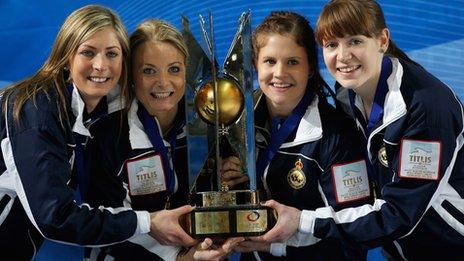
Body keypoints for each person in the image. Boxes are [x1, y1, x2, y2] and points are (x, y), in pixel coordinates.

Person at [253, 1, 464, 260]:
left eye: (355, 41)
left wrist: (303, 222)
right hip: (399, 249)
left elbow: (400, 213)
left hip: (450, 245)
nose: (342, 56)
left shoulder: (427, 108)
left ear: (382, 40)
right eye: (332, 45)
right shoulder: (348, 91)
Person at [0, 6, 194, 260]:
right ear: (66, 56)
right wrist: (147, 222)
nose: (101, 65)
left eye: (112, 54)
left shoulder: (91, 112)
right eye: (88, 52)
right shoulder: (35, 108)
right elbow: (54, 217)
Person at [86, 19, 242, 260]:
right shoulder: (107, 137)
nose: (163, 82)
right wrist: (177, 258)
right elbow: (106, 223)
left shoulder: (210, 125)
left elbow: (224, 202)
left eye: (174, 69)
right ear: (130, 74)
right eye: (149, 70)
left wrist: (232, 179)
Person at [221, 11, 373, 260]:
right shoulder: (236, 123)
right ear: (254, 65)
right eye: (270, 61)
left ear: (311, 68)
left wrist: (273, 246)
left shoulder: (338, 135)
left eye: (292, 62)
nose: (279, 73)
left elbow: (353, 227)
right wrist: (223, 181)